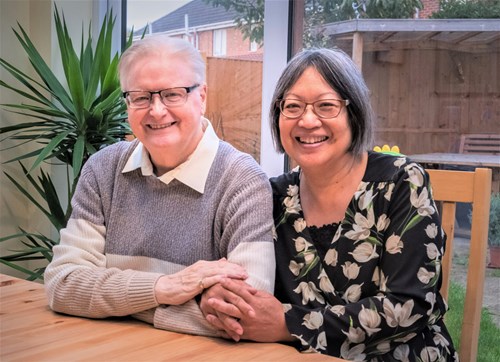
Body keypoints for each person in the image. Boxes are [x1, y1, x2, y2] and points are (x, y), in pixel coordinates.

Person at [200, 48, 458, 360]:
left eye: (326, 106)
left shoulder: (400, 182)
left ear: (354, 113)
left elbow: (410, 304)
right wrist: (220, 296)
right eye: (292, 106)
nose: (308, 120)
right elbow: (242, 282)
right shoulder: (270, 198)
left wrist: (288, 324)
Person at [44, 35, 275, 337]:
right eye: (140, 97)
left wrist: (116, 298)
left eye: (172, 94)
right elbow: (63, 284)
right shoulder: (103, 170)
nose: (156, 110)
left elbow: (244, 312)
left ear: (202, 96)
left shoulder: (242, 181)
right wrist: (167, 287)